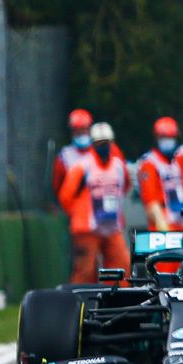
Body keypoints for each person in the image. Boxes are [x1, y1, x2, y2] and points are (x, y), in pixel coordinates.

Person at [60, 121, 131, 284]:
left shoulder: (118, 166)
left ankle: (120, 296)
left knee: (122, 264)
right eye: (99, 143)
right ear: (93, 144)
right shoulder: (82, 166)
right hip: (87, 227)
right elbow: (66, 196)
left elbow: (125, 186)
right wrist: (79, 214)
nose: (103, 147)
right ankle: (80, 297)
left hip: (112, 225)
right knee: (85, 269)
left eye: (106, 143)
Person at [136, 116, 183, 237]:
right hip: (163, 225)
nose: (168, 141)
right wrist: (161, 223)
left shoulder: (181, 160)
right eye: (164, 137)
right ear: (157, 138)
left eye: (171, 137)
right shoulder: (149, 163)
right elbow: (151, 201)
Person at [50, 108, 93, 204]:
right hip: (74, 205)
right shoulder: (64, 156)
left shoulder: (98, 152)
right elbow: (57, 185)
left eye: (83, 129)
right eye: (76, 130)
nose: (80, 133)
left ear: (89, 130)